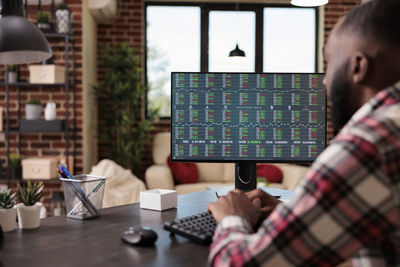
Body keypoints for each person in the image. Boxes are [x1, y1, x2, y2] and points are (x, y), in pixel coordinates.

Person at [208, 0, 400, 266]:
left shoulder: (370, 144)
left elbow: (239, 263)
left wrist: (233, 217)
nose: (324, 80)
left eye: (329, 61)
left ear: (358, 67)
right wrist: (287, 212)